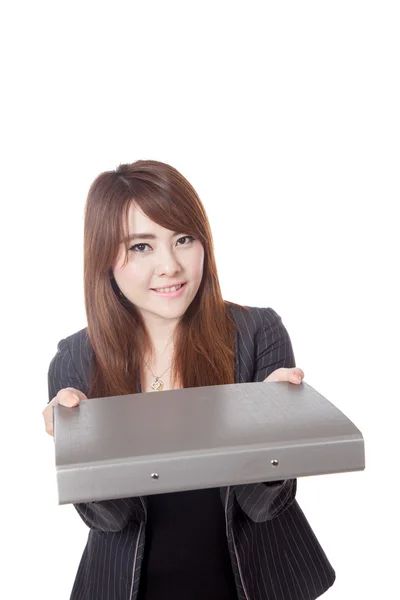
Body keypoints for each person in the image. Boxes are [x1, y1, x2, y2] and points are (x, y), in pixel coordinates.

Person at [43, 160, 336, 600]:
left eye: (183, 239)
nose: (171, 266)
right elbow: (110, 519)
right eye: (141, 247)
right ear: (105, 257)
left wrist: (275, 434)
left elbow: (263, 506)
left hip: (250, 585)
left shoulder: (258, 334)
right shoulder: (76, 361)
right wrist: (77, 446)